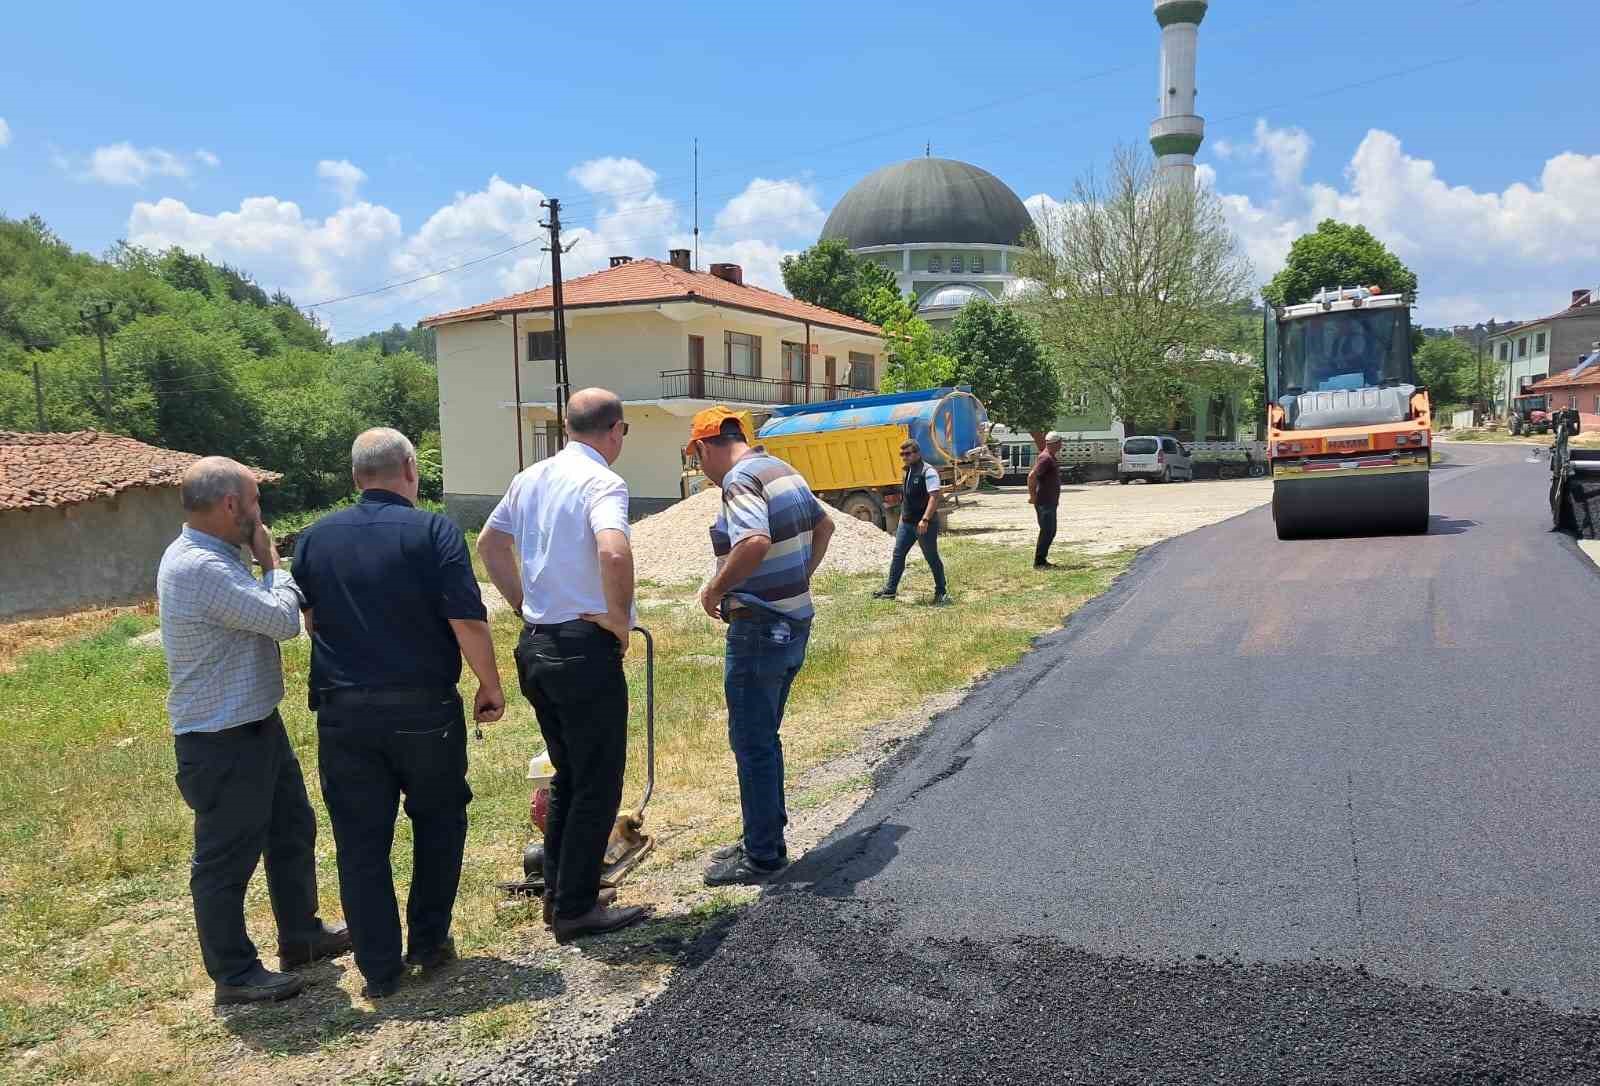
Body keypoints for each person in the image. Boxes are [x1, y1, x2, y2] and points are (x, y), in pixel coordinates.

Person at [291, 429, 504, 998]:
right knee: (439, 821)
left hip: (343, 712)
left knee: (360, 840)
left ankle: (379, 968)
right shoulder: (434, 531)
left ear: (355, 475)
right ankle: (430, 942)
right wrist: (489, 684)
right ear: (409, 468)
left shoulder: (312, 539)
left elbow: (311, 621)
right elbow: (466, 619)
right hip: (423, 708)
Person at [156, 457, 350, 1007]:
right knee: (225, 860)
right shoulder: (202, 567)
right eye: (255, 502)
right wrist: (273, 564)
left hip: (253, 724)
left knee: (291, 830)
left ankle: (301, 936)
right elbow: (282, 620)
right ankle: (235, 973)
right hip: (221, 739)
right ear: (231, 506)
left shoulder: (214, 556)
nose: (260, 514)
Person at [477, 389, 646, 942]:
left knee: (569, 775)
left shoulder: (531, 478)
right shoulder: (603, 482)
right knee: (597, 780)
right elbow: (614, 551)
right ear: (615, 430)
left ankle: (559, 892)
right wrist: (619, 620)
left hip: (538, 646)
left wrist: (524, 605)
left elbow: (490, 543)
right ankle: (576, 908)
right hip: (581, 649)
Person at [686, 407, 836, 886]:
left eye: (696, 459)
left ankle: (764, 856)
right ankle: (763, 834)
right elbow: (826, 527)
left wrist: (714, 588)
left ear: (702, 447)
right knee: (764, 739)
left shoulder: (739, 479)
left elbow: (751, 540)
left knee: (752, 743)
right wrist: (799, 578)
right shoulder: (781, 469)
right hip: (794, 623)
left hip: (758, 629)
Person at [873, 437, 950, 605]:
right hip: (906, 523)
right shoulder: (907, 470)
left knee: (931, 557)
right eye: (902, 454)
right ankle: (890, 590)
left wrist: (925, 519)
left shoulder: (928, 472)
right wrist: (902, 516)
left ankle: (941, 592)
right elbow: (907, 497)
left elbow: (934, 497)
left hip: (924, 524)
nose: (904, 457)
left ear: (917, 453)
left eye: (907, 454)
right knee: (898, 555)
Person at [1029, 432, 1063, 569]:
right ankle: (1039, 562)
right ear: (1055, 443)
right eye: (1060, 442)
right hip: (1044, 501)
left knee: (1050, 530)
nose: (1062, 444)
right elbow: (1032, 476)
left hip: (1049, 500)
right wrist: (1032, 496)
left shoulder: (1050, 457)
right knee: (1048, 530)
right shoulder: (1046, 458)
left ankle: (1042, 560)